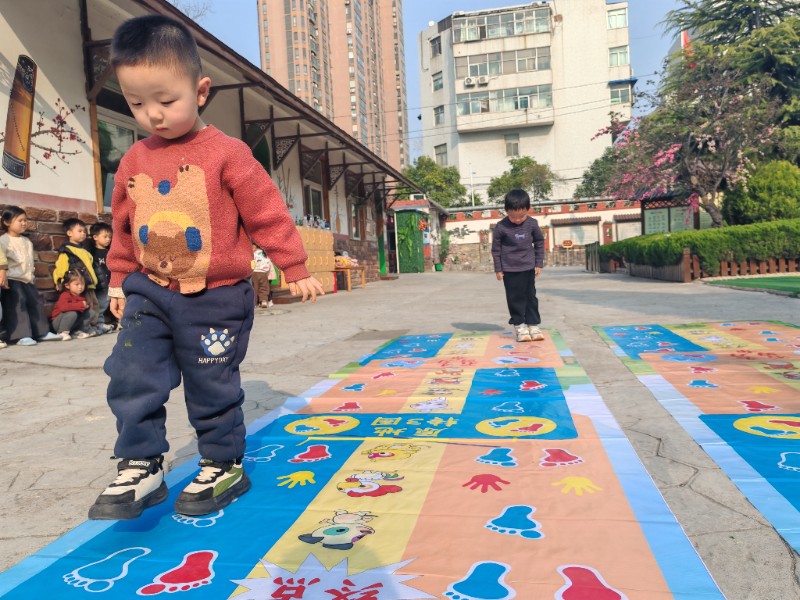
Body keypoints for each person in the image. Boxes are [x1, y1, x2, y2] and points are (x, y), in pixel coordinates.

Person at [89, 14, 324, 521]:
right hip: (150, 289)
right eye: (136, 103)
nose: (152, 115)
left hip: (216, 296)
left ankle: (223, 462)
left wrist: (294, 265)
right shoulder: (133, 160)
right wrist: (119, 279)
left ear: (200, 91)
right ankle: (141, 463)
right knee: (132, 373)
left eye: (165, 100)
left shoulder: (228, 154)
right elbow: (124, 224)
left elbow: (266, 212)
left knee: (210, 383)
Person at [0, 206, 63, 346]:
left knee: (35, 304)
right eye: (20, 220)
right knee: (17, 307)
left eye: (25, 220)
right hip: (12, 280)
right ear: (6, 222)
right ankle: (21, 335)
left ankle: (41, 332)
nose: (24, 223)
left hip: (28, 279)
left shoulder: (27, 241)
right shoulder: (3, 241)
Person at [491, 189, 545, 343]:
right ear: (506, 211)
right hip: (510, 269)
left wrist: (538, 263)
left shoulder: (532, 224)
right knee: (515, 298)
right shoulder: (501, 227)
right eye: (513, 217)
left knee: (530, 297)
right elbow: (496, 250)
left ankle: (533, 325)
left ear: (528, 209)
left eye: (522, 216)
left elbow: (539, 242)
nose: (517, 220)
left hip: (528, 267)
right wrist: (498, 269)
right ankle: (520, 325)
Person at [52, 218, 101, 333]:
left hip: (89, 284)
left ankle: (94, 325)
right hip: (79, 284)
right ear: (69, 233)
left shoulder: (85, 251)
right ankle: (86, 327)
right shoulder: (67, 250)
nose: (83, 234)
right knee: (85, 306)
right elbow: (61, 266)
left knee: (94, 305)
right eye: (80, 231)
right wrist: (59, 280)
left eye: (84, 231)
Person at [50, 270, 96, 340]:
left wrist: (86, 306)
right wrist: (80, 305)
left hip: (71, 323)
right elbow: (63, 307)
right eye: (77, 284)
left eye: (82, 284)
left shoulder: (81, 296)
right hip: (58, 324)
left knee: (91, 312)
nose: (80, 287)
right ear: (67, 285)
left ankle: (77, 331)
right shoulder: (65, 295)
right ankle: (62, 333)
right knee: (72, 313)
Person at [88, 222, 115, 332]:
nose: (108, 239)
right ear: (95, 237)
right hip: (100, 284)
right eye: (105, 237)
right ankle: (99, 324)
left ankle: (116, 322)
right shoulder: (92, 253)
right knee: (101, 305)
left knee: (111, 303)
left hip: (111, 283)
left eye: (110, 237)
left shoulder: (110, 252)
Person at [251, 243, 276, 308]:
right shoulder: (265, 254)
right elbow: (269, 264)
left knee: (254, 288)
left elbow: (252, 263)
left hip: (255, 272)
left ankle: (254, 303)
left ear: (256, 247)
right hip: (264, 273)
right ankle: (264, 301)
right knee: (263, 287)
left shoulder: (253, 254)